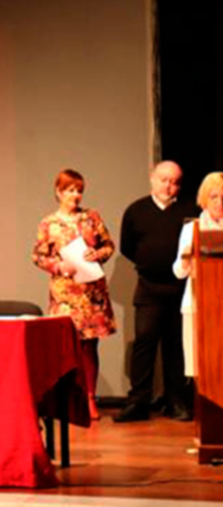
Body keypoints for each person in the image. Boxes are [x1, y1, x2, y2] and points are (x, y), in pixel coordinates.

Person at [114, 161, 198, 423]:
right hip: (149, 287)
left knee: (176, 346)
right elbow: (127, 247)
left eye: (174, 182)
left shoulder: (190, 211)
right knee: (144, 343)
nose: (169, 186)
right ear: (152, 179)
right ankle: (138, 402)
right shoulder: (136, 211)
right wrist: (151, 262)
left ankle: (176, 401)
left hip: (180, 288)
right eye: (164, 180)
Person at [32, 169, 116, 420]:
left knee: (90, 346)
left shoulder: (91, 218)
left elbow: (108, 246)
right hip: (65, 293)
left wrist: (97, 254)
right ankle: (67, 400)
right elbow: (38, 256)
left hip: (91, 291)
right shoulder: (48, 223)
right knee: (67, 345)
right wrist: (58, 266)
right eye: (70, 190)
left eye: (79, 190)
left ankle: (89, 399)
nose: (75, 195)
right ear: (59, 192)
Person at [173, 172, 223, 382]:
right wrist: (186, 258)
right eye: (214, 197)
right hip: (198, 305)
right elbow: (178, 272)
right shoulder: (191, 229)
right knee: (200, 367)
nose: (219, 202)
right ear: (204, 199)